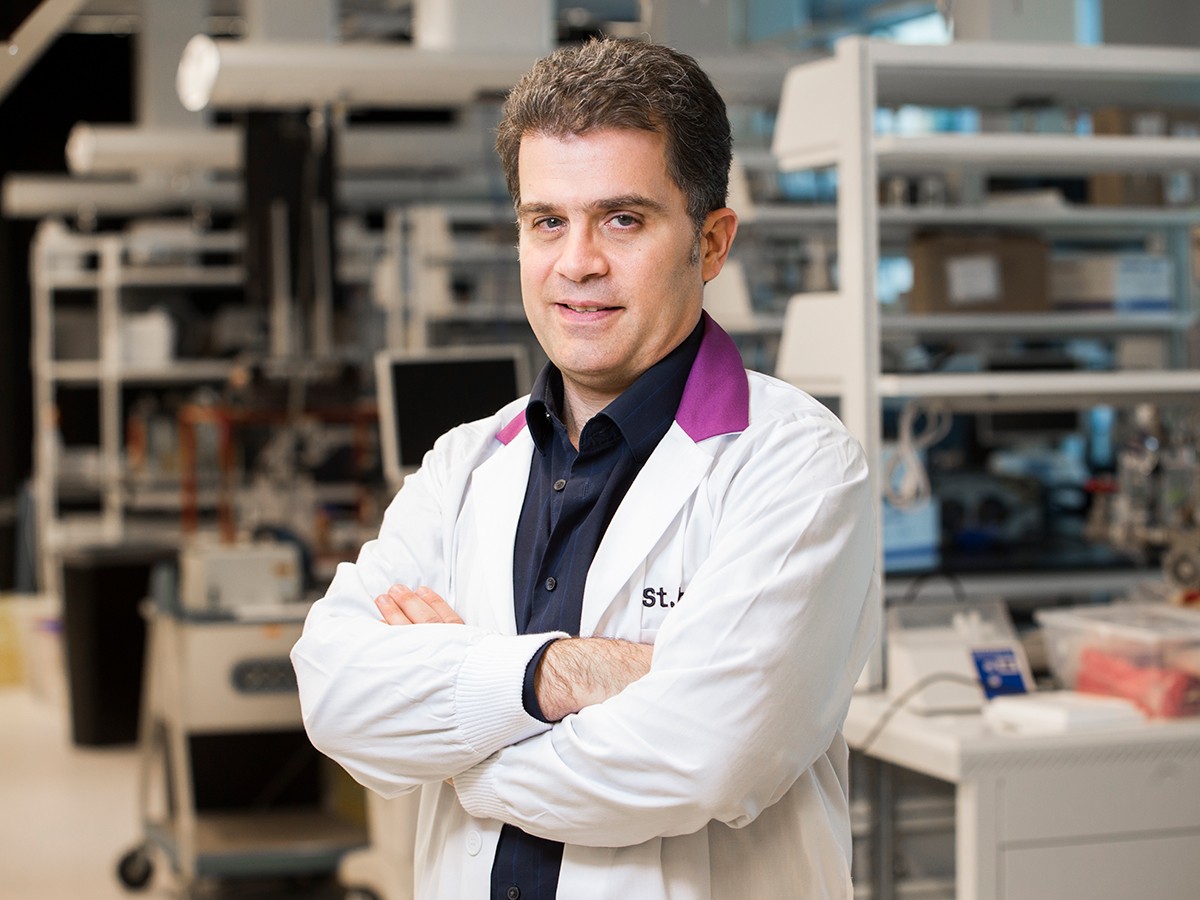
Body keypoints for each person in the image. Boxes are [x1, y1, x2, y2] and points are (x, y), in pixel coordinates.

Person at [292, 36, 879, 900]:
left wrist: (461, 752)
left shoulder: (796, 465)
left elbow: (704, 755)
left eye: (623, 219)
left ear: (710, 244)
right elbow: (336, 694)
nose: (577, 264)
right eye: (546, 222)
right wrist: (557, 673)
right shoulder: (463, 467)